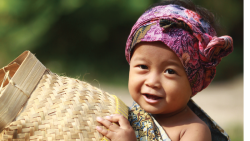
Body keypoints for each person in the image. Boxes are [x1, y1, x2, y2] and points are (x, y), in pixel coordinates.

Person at [95, 0, 233, 140]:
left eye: (170, 71)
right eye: (143, 67)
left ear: (194, 82)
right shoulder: (124, 113)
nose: (152, 82)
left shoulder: (193, 130)